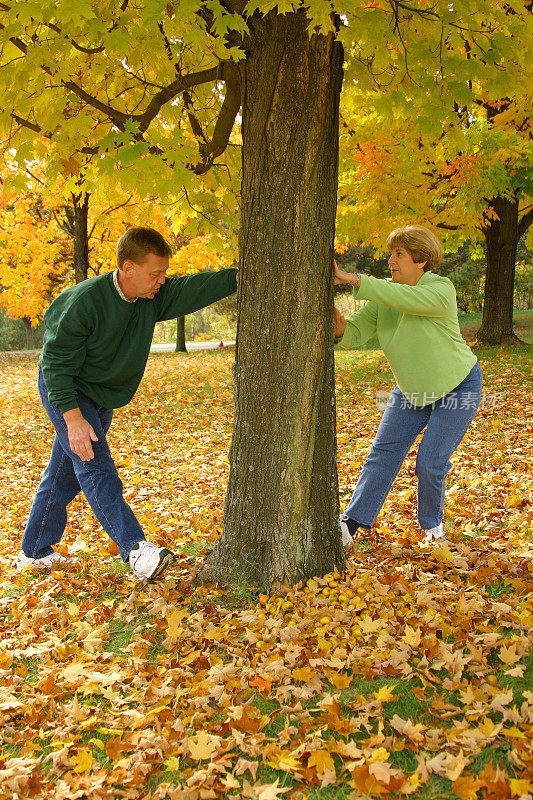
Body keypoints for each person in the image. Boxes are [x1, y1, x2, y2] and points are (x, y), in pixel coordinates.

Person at [16, 226, 238, 581]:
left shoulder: (152, 297)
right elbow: (55, 363)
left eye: (164, 273)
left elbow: (195, 287)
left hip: (102, 394)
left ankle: (34, 552)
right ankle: (136, 550)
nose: (162, 281)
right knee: (94, 464)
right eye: (155, 273)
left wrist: (241, 277)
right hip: (68, 390)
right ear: (128, 269)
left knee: (64, 475)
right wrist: (72, 419)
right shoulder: (84, 300)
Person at [334, 225, 482, 547]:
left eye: (399, 254)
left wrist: (356, 280)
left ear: (422, 260)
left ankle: (432, 528)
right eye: (391, 254)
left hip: (458, 387)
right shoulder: (385, 296)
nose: (391, 261)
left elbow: (407, 299)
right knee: (382, 453)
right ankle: (351, 523)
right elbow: (354, 333)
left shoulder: (440, 289)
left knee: (430, 461)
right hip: (412, 391)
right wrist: (337, 325)